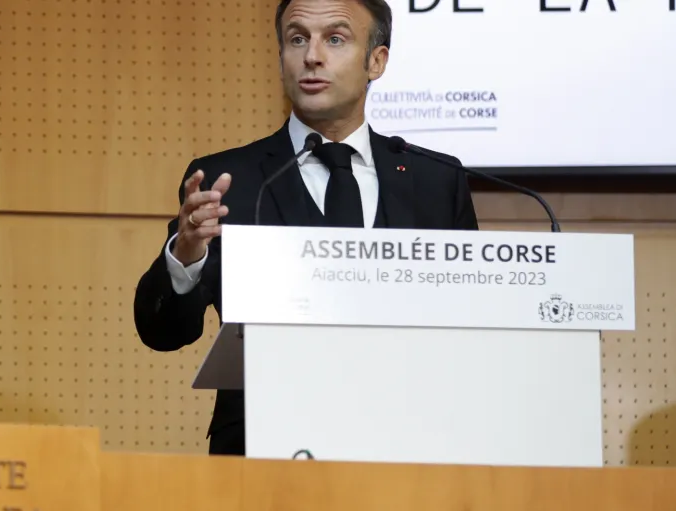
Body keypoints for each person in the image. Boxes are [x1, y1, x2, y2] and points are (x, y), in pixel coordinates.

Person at [133, 0, 479, 456]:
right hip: (261, 451)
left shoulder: (436, 181)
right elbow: (163, 331)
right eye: (297, 38)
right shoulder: (227, 180)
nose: (311, 55)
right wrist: (187, 257)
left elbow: (472, 327)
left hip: (409, 446)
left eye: (335, 39)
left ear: (376, 61)